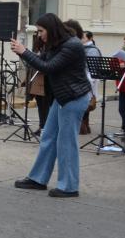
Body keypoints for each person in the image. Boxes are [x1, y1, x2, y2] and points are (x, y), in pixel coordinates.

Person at [11, 13, 91, 198]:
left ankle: (69, 186)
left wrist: (24, 51)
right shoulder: (57, 44)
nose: (39, 35)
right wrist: (25, 53)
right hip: (63, 97)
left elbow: (48, 67)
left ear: (51, 29)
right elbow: (42, 62)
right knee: (48, 137)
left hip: (73, 98)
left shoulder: (72, 45)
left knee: (66, 143)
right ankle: (38, 179)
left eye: (41, 31)